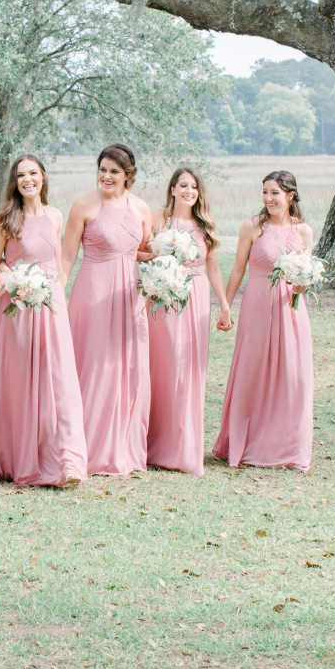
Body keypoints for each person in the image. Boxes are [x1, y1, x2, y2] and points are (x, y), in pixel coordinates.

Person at [0, 154, 87, 488]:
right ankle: (19, 456)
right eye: (20, 175)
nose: (27, 179)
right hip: (17, 305)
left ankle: (66, 460)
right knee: (21, 378)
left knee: (58, 378)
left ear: (43, 177)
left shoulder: (55, 215)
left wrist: (60, 293)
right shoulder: (4, 220)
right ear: (14, 182)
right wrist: (7, 279)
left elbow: (56, 262)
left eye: (33, 173)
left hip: (51, 302)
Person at [213, 169, 314, 471]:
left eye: (275, 193)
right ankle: (246, 443)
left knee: (292, 376)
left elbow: (306, 273)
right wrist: (225, 306)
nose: (268, 199)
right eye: (265, 192)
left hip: (290, 309)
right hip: (257, 305)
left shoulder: (303, 231)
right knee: (252, 373)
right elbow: (237, 270)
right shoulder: (253, 227)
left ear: (290, 196)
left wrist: (303, 285)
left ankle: (287, 447)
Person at [61, 144, 152, 475]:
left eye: (114, 171)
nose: (107, 176)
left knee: (127, 366)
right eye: (102, 169)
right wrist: (57, 294)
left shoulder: (141, 209)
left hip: (130, 296)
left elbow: (140, 250)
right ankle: (86, 447)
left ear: (128, 175)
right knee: (95, 365)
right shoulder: (84, 206)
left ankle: (122, 447)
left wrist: (167, 260)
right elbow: (68, 256)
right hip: (93, 292)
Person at [144, 167, 227, 475]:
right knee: (162, 366)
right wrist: (157, 265)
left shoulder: (204, 227)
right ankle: (153, 443)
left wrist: (225, 305)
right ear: (173, 188)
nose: (189, 191)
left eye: (194, 187)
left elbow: (214, 268)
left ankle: (183, 446)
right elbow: (139, 253)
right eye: (183, 185)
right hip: (163, 296)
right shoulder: (156, 219)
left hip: (196, 297)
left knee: (189, 369)